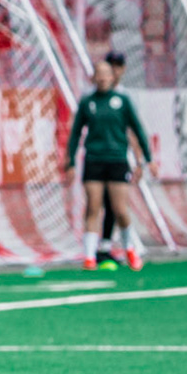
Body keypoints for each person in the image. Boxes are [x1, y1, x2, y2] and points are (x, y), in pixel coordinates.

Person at [65, 51, 151, 271]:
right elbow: (75, 133)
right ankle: (89, 257)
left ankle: (130, 249)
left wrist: (146, 160)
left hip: (117, 160)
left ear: (113, 77)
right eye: (99, 74)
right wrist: (71, 162)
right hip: (94, 160)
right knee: (93, 206)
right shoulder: (87, 102)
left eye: (107, 73)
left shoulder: (122, 101)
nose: (103, 77)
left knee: (120, 208)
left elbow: (137, 130)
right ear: (93, 77)